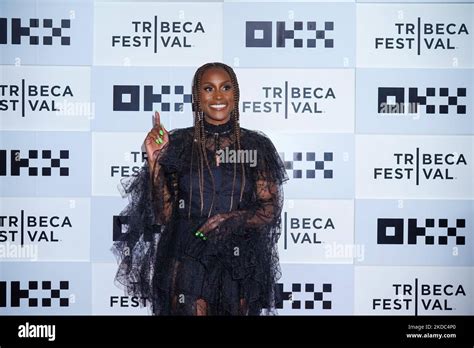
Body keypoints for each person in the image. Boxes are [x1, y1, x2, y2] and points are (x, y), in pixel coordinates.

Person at [112, 62, 288, 315]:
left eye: (225, 87)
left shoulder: (256, 147)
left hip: (238, 262)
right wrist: (155, 162)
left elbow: (269, 209)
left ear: (235, 93)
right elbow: (164, 215)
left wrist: (231, 219)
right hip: (187, 258)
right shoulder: (179, 144)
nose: (218, 96)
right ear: (197, 97)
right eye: (208, 88)